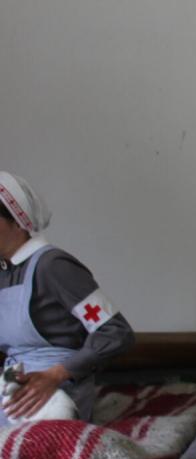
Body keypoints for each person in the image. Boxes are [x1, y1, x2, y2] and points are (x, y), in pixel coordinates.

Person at [0, 172, 135, 425]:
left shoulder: (53, 266)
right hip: (13, 387)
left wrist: (55, 375)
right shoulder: (4, 273)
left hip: (55, 393)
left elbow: (115, 332)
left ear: (18, 221)